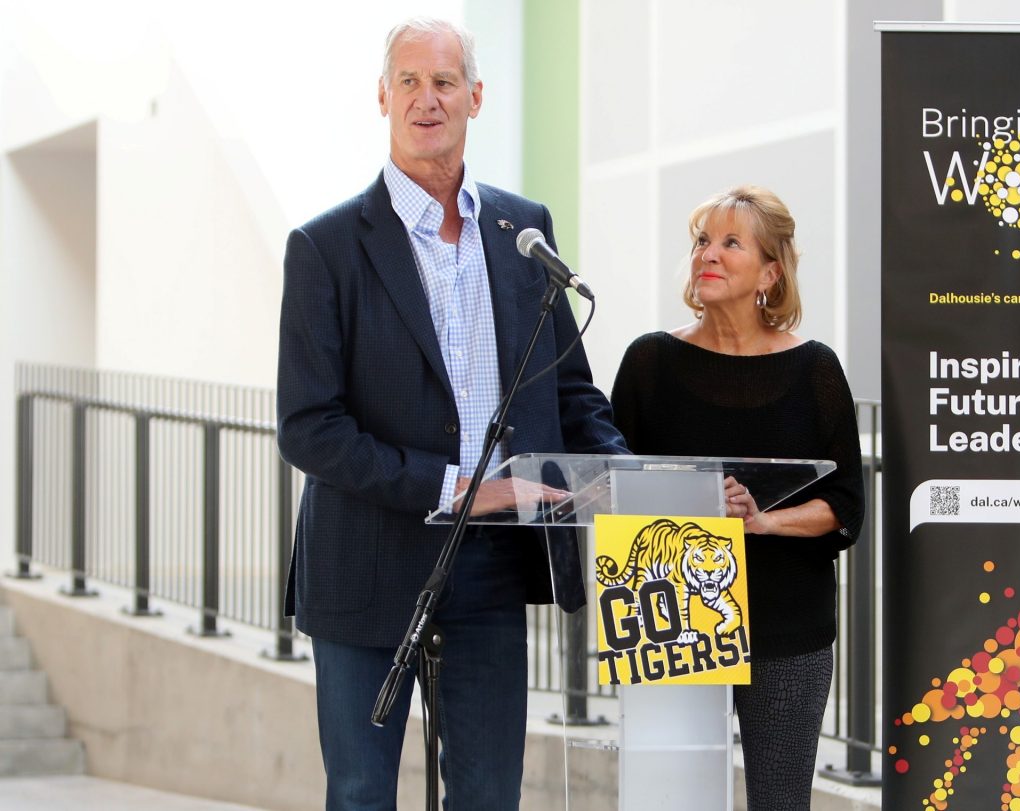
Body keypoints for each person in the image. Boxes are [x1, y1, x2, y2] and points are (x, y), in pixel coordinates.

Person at [275, 16, 626, 810]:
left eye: (442, 82)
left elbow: (571, 391)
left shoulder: (522, 229)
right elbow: (308, 424)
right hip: (365, 562)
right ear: (381, 96)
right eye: (409, 81)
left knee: (488, 793)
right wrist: (464, 486)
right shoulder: (325, 246)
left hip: (491, 568)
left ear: (475, 95)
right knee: (363, 792)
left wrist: (620, 476)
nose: (426, 99)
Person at [609, 185, 865, 810]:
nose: (708, 255)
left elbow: (845, 506)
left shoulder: (816, 370)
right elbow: (608, 487)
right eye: (702, 241)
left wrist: (760, 522)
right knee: (668, 803)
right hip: (671, 615)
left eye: (730, 242)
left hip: (786, 622)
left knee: (780, 802)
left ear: (771, 273)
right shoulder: (650, 363)